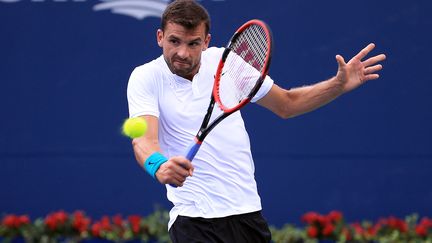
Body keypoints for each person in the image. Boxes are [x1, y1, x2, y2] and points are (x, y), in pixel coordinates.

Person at [126, 0, 386, 242]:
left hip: (247, 214)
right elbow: (143, 140)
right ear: (160, 37)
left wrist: (337, 85)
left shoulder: (226, 62)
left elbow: (286, 104)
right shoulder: (146, 77)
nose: (182, 52)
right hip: (194, 220)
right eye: (174, 41)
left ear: (206, 42)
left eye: (193, 43)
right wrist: (159, 166)